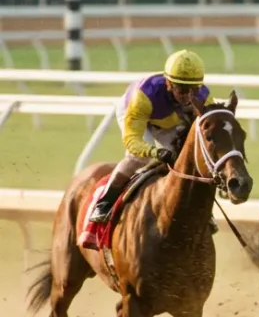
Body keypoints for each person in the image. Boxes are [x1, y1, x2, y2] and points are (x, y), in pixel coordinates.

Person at [86, 50, 218, 227]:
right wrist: (155, 151)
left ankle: (202, 211)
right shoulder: (145, 96)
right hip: (134, 111)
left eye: (194, 90)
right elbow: (132, 140)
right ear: (169, 84)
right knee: (140, 157)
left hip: (169, 118)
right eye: (183, 90)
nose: (188, 97)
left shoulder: (204, 98)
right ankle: (104, 203)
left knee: (185, 158)